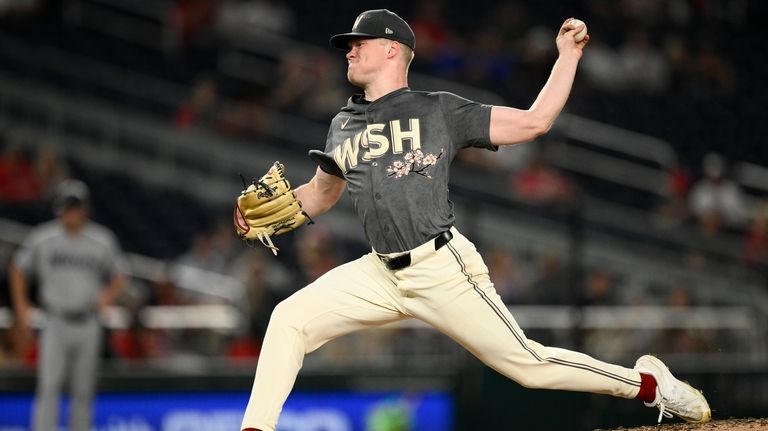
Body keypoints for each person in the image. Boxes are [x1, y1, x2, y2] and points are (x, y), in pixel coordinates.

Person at [240, 10, 710, 431]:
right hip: (379, 271)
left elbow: (534, 122)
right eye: (348, 45)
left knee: (529, 365)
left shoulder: (438, 109)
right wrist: (262, 217)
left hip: (441, 267)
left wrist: (567, 55)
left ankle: (647, 385)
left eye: (358, 42)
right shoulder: (344, 122)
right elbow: (320, 196)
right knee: (289, 318)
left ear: (391, 49)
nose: (350, 50)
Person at [9, 179, 127, 431]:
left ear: (85, 208)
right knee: (49, 386)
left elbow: (120, 274)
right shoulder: (43, 237)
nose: (70, 212)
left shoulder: (101, 239)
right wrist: (21, 308)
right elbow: (18, 269)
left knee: (83, 390)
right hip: (55, 320)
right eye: (66, 206)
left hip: (88, 321)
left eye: (74, 207)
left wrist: (105, 297)